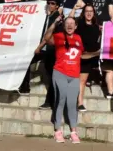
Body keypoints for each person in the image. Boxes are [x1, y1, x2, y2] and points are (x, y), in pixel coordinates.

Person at [71, 4, 113, 113]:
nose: (89, 13)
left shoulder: (96, 26)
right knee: (82, 81)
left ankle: (111, 92)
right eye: (86, 11)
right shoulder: (78, 24)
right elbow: (69, 21)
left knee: (110, 69)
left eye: (91, 11)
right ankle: (79, 103)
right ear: (83, 13)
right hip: (84, 57)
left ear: (94, 13)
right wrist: (74, 9)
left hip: (95, 56)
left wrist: (105, 29)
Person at [41, 15, 83, 144]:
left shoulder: (78, 38)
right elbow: (46, 39)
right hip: (60, 72)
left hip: (74, 75)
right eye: (67, 23)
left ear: (76, 26)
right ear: (64, 26)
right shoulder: (59, 36)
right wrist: (54, 23)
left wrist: (98, 53)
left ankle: (73, 132)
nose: (70, 25)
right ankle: (57, 130)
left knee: (72, 103)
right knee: (60, 100)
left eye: (72, 23)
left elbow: (80, 55)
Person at [30, 0, 61, 105]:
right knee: (27, 62)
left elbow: (49, 35)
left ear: (57, 6)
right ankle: (24, 87)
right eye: (48, 3)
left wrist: (39, 47)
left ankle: (50, 100)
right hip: (42, 48)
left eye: (53, 3)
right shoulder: (45, 16)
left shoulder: (57, 18)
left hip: (50, 49)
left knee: (51, 75)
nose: (50, 5)